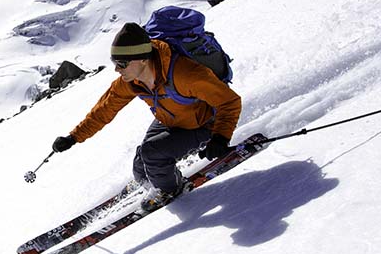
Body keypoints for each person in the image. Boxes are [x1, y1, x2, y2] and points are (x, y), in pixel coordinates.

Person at [51, 21, 241, 201]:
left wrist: (220, 137)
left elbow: (229, 102)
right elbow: (104, 111)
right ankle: (156, 181)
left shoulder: (186, 74)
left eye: (122, 63)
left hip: (205, 125)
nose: (117, 69)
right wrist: (73, 137)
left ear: (142, 59)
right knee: (141, 164)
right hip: (172, 120)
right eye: (114, 62)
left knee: (153, 153)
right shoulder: (130, 81)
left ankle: (173, 190)